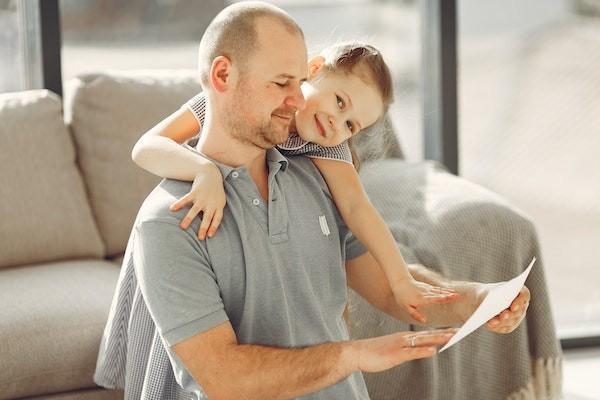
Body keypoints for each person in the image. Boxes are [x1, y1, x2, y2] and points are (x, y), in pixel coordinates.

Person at [94, 2, 530, 399]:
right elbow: (225, 378)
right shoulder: (170, 221)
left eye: (300, 81)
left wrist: (476, 299)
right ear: (223, 76)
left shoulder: (316, 170)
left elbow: (384, 280)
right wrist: (354, 355)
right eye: (282, 82)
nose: (295, 100)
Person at [132, 40, 458, 323]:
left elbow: (357, 207)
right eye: (340, 102)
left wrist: (400, 278)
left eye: (351, 126)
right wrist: (204, 170)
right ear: (313, 70)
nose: (336, 123)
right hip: (180, 243)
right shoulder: (238, 98)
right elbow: (146, 146)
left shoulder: (325, 144)